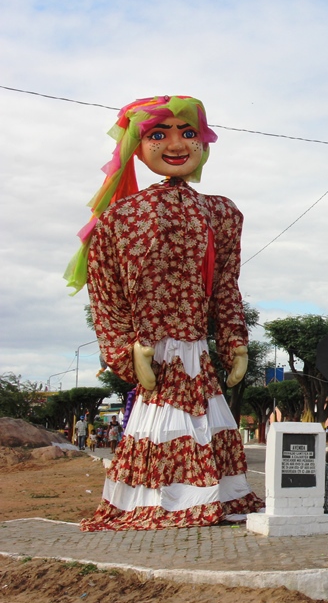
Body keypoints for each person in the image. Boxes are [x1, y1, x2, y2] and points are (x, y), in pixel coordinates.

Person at [70, 96, 264, 530]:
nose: (176, 144)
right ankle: (163, 501)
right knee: (165, 423)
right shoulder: (120, 217)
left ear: (203, 143)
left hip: (196, 352)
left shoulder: (222, 212)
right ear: (137, 147)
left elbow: (226, 283)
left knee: (200, 424)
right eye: (159, 134)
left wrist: (234, 339)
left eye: (187, 133)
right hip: (153, 351)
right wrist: (125, 350)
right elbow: (106, 291)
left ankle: (205, 499)